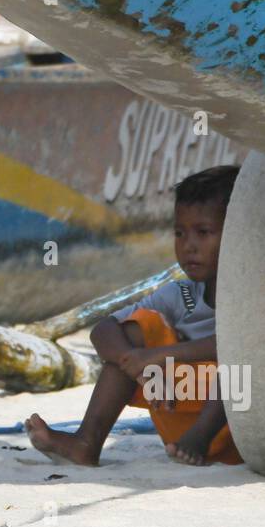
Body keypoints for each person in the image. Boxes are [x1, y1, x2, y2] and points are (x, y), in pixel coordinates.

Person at [25, 165, 243, 467]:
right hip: (176, 409)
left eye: (203, 233)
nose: (188, 246)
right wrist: (137, 363)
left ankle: (200, 439)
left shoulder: (256, 294)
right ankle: (86, 442)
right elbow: (102, 329)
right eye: (179, 233)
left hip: (237, 422)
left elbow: (240, 342)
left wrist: (161, 355)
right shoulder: (180, 294)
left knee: (240, 360)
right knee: (135, 330)